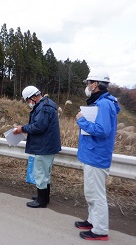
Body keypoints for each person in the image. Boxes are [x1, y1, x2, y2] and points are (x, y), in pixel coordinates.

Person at [74, 70, 120, 241]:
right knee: (90, 192)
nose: (87, 86)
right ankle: (92, 221)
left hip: (96, 155)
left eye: (88, 83)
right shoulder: (100, 102)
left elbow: (102, 130)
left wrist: (81, 120)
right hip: (92, 153)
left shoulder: (104, 104)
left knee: (96, 194)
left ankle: (100, 231)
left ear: (95, 84)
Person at [14, 86, 61, 208]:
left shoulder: (43, 107)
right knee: (45, 174)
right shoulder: (47, 105)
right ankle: (44, 197)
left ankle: (41, 201)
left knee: (40, 173)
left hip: (44, 146)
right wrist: (24, 128)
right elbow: (38, 124)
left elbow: (39, 126)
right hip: (48, 145)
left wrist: (22, 129)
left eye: (28, 100)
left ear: (34, 97)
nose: (28, 103)